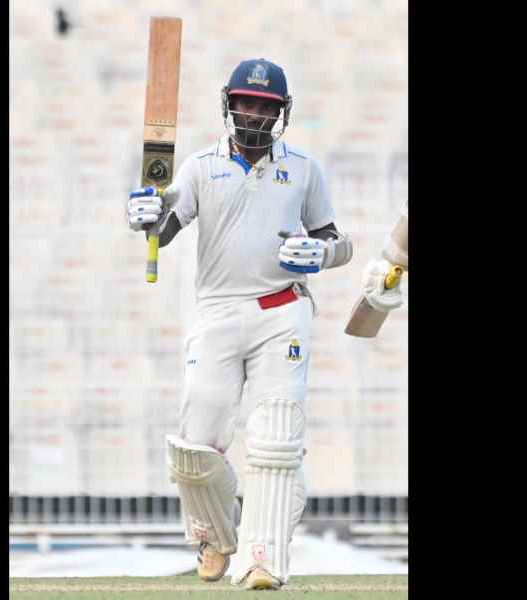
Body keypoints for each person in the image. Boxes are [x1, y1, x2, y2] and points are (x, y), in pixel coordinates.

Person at [126, 59, 353, 590]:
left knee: (276, 437)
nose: (253, 114)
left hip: (282, 311)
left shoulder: (303, 169)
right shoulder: (200, 167)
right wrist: (145, 217)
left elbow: (338, 242)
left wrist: (320, 253)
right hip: (218, 312)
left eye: (264, 107)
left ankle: (262, 557)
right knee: (195, 445)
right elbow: (165, 227)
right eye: (246, 103)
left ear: (280, 113)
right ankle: (213, 535)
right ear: (229, 105)